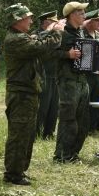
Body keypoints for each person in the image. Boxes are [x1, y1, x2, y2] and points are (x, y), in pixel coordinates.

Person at [2, 4, 64, 185]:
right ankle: (13, 174)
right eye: (27, 17)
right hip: (21, 95)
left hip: (28, 92)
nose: (30, 20)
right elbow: (42, 47)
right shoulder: (15, 40)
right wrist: (57, 32)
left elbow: (38, 41)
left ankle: (19, 170)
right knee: (19, 135)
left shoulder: (22, 37)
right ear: (17, 20)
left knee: (27, 134)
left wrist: (50, 30)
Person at [53, 1, 90, 163]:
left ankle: (73, 152)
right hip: (68, 81)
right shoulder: (61, 33)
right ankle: (62, 155)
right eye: (81, 13)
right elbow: (48, 52)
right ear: (72, 15)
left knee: (82, 120)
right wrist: (67, 55)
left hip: (83, 80)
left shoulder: (81, 32)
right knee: (69, 120)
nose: (84, 16)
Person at [35, 11, 60, 139]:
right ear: (46, 22)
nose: (57, 24)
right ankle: (37, 133)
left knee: (54, 107)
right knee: (42, 106)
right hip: (42, 74)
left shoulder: (57, 35)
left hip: (56, 75)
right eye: (53, 22)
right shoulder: (37, 35)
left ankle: (49, 133)